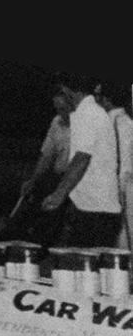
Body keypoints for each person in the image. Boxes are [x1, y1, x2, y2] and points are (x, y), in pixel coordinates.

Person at [41, 72, 121, 248]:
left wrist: (58, 194)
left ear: (67, 91)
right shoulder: (92, 112)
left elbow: (82, 158)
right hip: (93, 208)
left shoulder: (87, 114)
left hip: (94, 210)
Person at [0, 91, 72, 246]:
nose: (61, 114)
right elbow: (47, 155)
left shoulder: (83, 125)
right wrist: (33, 180)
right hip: (56, 177)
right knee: (32, 201)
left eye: (64, 109)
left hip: (74, 180)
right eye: (57, 109)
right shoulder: (57, 122)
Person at [95, 80, 133, 248]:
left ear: (107, 99)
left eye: (98, 95)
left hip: (116, 186)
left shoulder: (107, 123)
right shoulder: (128, 122)